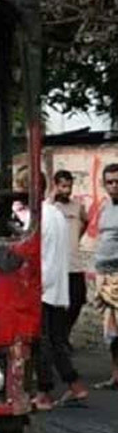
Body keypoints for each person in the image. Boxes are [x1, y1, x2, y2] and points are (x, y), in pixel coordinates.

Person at [34, 172, 88, 410]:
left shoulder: (38, 216)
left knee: (43, 341)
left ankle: (44, 392)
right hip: (57, 285)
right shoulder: (55, 213)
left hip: (43, 286)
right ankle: (75, 385)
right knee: (57, 339)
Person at [52, 170, 89, 347]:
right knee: (57, 305)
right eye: (63, 186)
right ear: (56, 186)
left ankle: (64, 333)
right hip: (57, 265)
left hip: (74, 263)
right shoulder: (51, 207)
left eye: (69, 186)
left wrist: (75, 239)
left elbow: (85, 222)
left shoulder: (77, 206)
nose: (66, 190)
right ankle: (59, 339)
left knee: (78, 299)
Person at [94, 163, 118, 390]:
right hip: (104, 275)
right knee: (110, 333)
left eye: (117, 182)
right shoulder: (106, 207)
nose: (113, 186)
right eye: (109, 182)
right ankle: (115, 376)